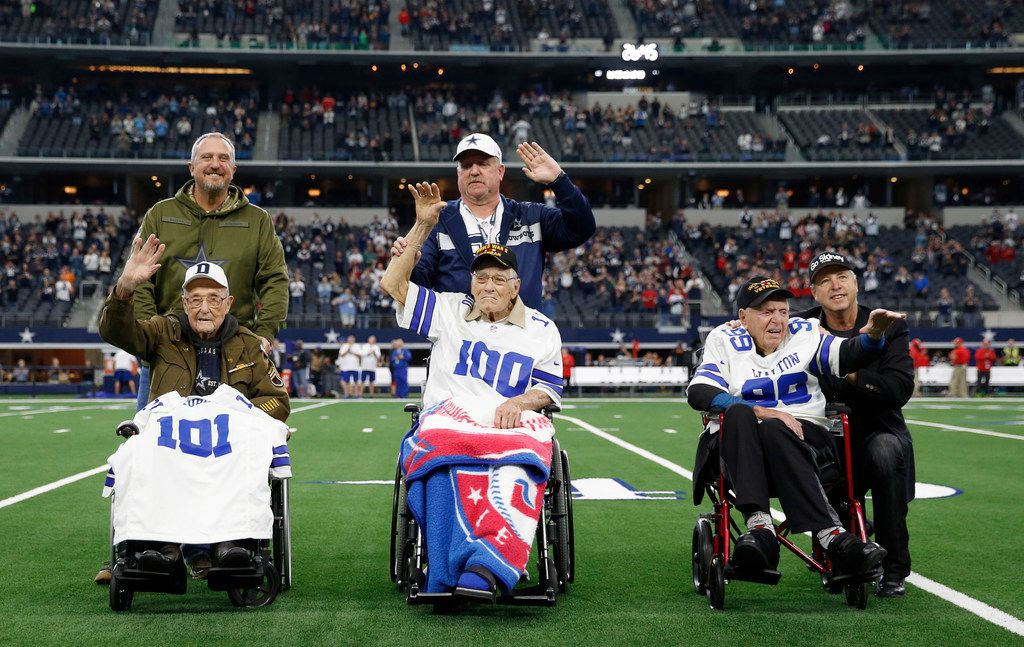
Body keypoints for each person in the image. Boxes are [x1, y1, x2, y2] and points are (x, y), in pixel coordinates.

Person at [381, 182, 564, 602]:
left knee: (517, 466)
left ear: (516, 285)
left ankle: (489, 565)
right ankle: (452, 568)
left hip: (509, 423)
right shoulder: (449, 310)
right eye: (481, 277)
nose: (488, 286)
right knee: (440, 456)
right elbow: (394, 284)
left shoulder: (541, 329)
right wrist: (423, 226)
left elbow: (549, 391)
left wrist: (518, 402)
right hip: (451, 417)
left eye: (499, 279)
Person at [687, 276, 905, 588]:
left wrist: (873, 338)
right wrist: (760, 411)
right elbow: (699, 391)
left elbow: (846, 354)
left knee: (776, 429)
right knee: (739, 413)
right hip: (739, 445)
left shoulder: (804, 332)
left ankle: (771, 535)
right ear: (743, 317)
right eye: (766, 312)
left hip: (806, 440)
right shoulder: (724, 339)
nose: (777, 319)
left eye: (783, 311)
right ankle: (822, 536)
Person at [97, 234, 290, 582]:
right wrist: (125, 287)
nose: (205, 308)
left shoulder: (248, 344)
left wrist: (244, 417)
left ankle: (229, 544)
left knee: (241, 455)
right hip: (172, 440)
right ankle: (162, 549)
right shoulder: (161, 332)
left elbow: (277, 400)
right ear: (184, 303)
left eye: (214, 299)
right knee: (142, 453)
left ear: (228, 303)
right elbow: (117, 331)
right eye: (196, 299)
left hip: (224, 443)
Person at [131, 132, 289, 409]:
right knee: (154, 447)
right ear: (191, 168)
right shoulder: (160, 214)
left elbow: (275, 281)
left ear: (233, 170)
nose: (215, 163)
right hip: (168, 356)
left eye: (223, 158)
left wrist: (264, 335)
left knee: (238, 449)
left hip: (236, 358)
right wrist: (150, 335)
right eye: (206, 157)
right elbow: (141, 281)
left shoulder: (258, 220)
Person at [798, 251, 916, 597]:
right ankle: (839, 541)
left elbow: (898, 390)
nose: (835, 285)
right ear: (814, 293)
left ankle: (894, 570)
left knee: (885, 452)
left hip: (876, 430)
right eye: (824, 281)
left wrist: (845, 367)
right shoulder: (801, 326)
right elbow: (761, 334)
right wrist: (736, 325)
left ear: (856, 284)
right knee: (801, 452)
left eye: (843, 277)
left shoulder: (888, 324)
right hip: (823, 436)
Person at [390, 134, 596, 308]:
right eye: (466, 165)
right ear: (458, 173)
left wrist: (559, 181)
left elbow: (581, 228)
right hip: (458, 347)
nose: (474, 171)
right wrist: (407, 261)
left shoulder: (531, 216)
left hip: (520, 345)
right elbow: (417, 285)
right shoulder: (437, 220)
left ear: (500, 171)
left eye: (482, 163)